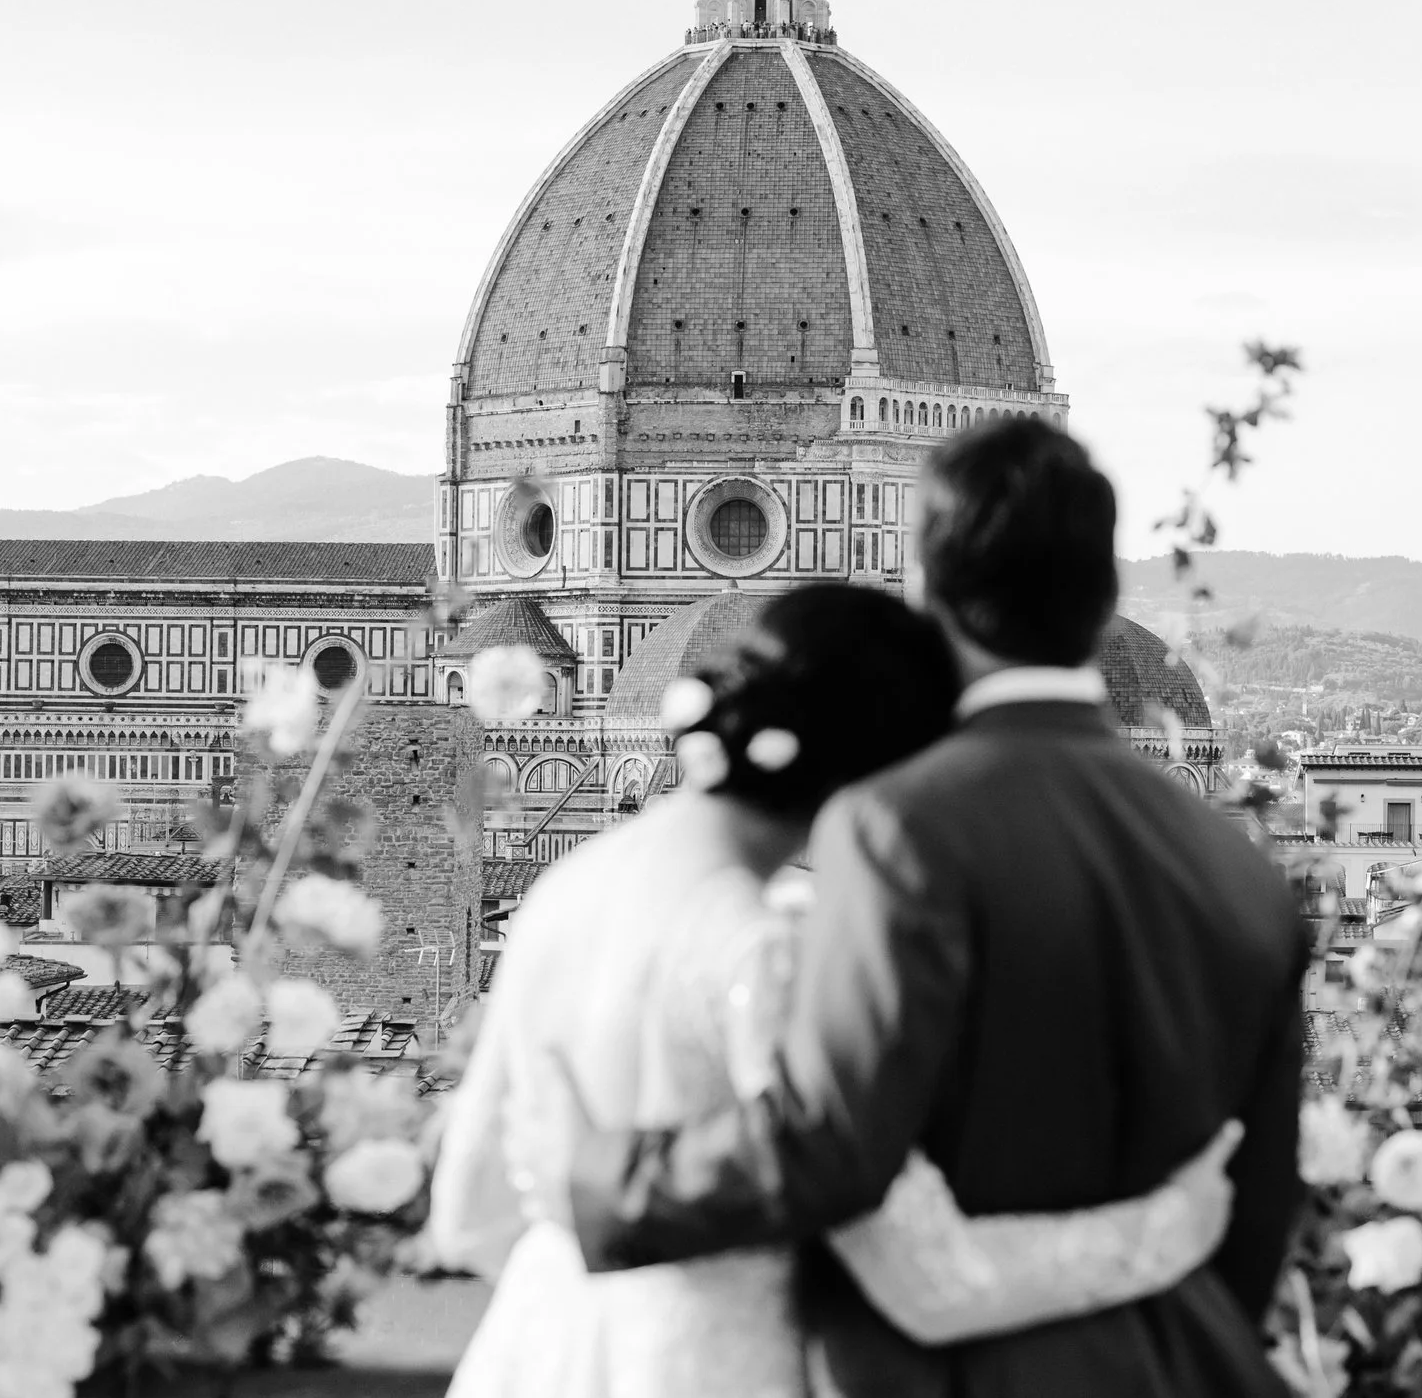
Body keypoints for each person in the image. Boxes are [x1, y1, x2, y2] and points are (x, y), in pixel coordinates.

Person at [560, 420, 1310, 1398]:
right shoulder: (1239, 871)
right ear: (1103, 603)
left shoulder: (898, 829)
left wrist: (609, 1179)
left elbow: (831, 1145)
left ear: (924, 592)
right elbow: (1257, 1212)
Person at [426, 582, 1250, 1398]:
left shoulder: (564, 890)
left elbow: (469, 1209)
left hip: (530, 1354)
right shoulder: (762, 947)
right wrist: (1169, 1226)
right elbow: (926, 1282)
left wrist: (596, 1299)